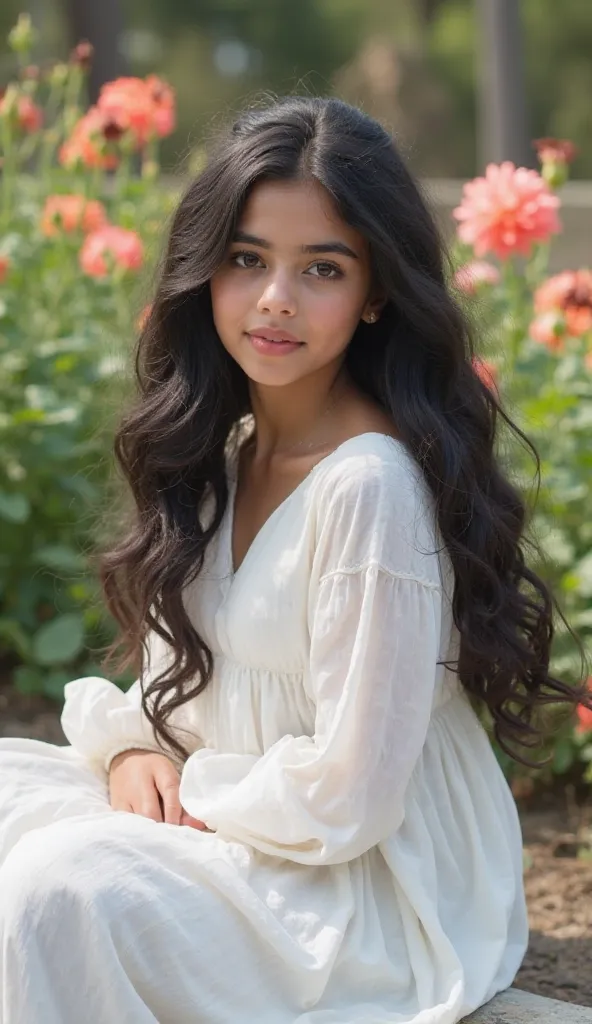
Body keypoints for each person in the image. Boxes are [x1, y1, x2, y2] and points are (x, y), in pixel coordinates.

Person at [0, 95, 589, 1024]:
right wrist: (128, 755)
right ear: (207, 273)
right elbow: (167, 696)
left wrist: (187, 788)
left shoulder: (370, 489)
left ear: (376, 293)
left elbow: (350, 797)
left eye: (322, 268)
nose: (276, 299)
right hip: (231, 821)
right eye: (247, 259)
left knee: (54, 886)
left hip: (360, 894)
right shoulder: (220, 450)